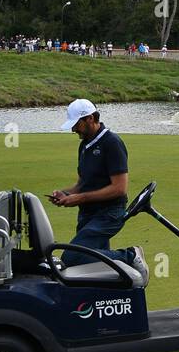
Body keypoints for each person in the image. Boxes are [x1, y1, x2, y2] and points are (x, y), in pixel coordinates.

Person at [49, 98, 147, 280]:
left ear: (90, 118)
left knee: (72, 256)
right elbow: (82, 184)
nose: (73, 129)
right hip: (88, 214)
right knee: (97, 267)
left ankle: (131, 255)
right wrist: (66, 194)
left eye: (76, 124)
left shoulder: (112, 143)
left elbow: (120, 189)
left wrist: (79, 199)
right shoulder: (84, 145)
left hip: (109, 214)